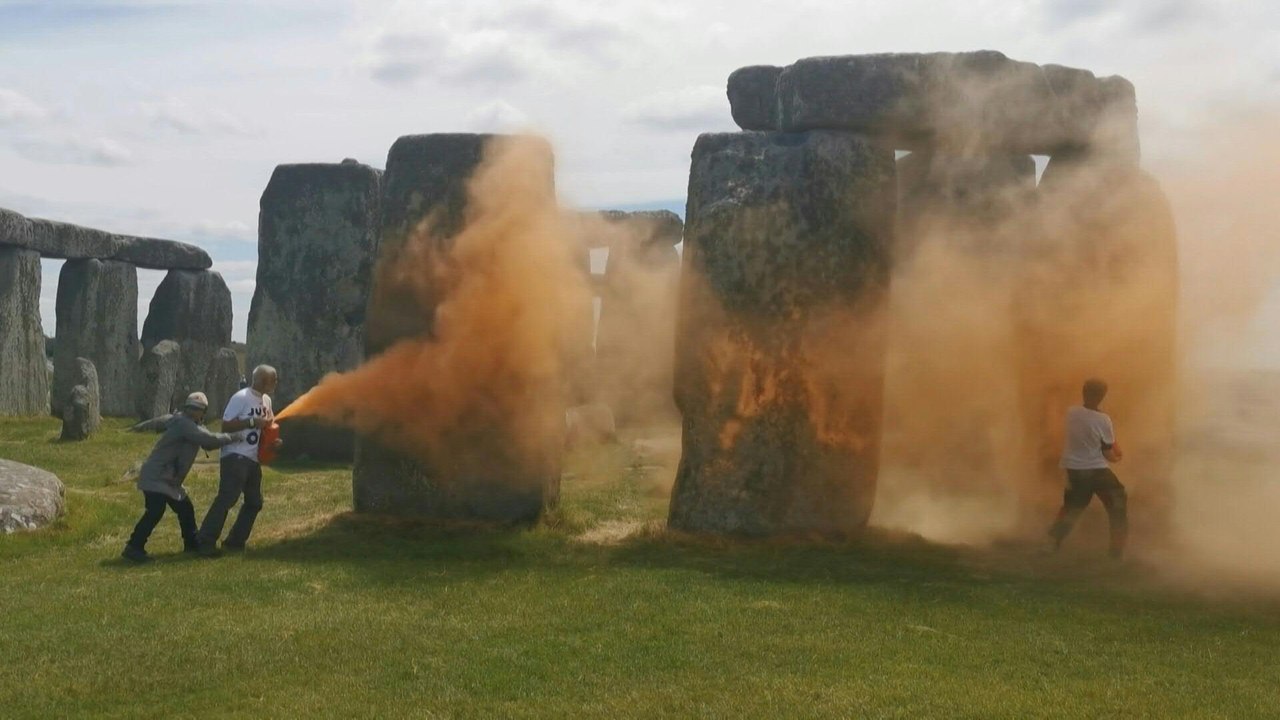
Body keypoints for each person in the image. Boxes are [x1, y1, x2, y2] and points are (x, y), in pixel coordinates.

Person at [122, 392, 244, 563]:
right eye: (191, 408)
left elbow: (207, 442)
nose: (194, 411)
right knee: (155, 511)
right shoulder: (184, 424)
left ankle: (191, 544)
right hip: (157, 476)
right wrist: (234, 437)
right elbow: (208, 439)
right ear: (187, 408)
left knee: (185, 509)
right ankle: (133, 547)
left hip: (167, 477)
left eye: (197, 408)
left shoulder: (188, 423)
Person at [197, 364, 281, 555]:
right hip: (235, 455)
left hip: (253, 458)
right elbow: (226, 426)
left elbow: (268, 427)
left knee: (254, 502)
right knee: (227, 498)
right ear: (262, 381)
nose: (276, 383)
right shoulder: (241, 397)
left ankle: (235, 542)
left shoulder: (266, 400)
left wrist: (273, 442)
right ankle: (205, 541)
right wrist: (251, 422)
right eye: (273, 380)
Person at [1048, 378, 1128, 558]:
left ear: (1083, 392)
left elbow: (1099, 435)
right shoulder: (1104, 420)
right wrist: (1117, 458)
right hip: (1096, 470)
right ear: (1103, 396)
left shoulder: (1072, 413)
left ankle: (1052, 543)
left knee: (1072, 507)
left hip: (1073, 470)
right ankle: (1116, 552)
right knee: (1118, 503)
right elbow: (1107, 452)